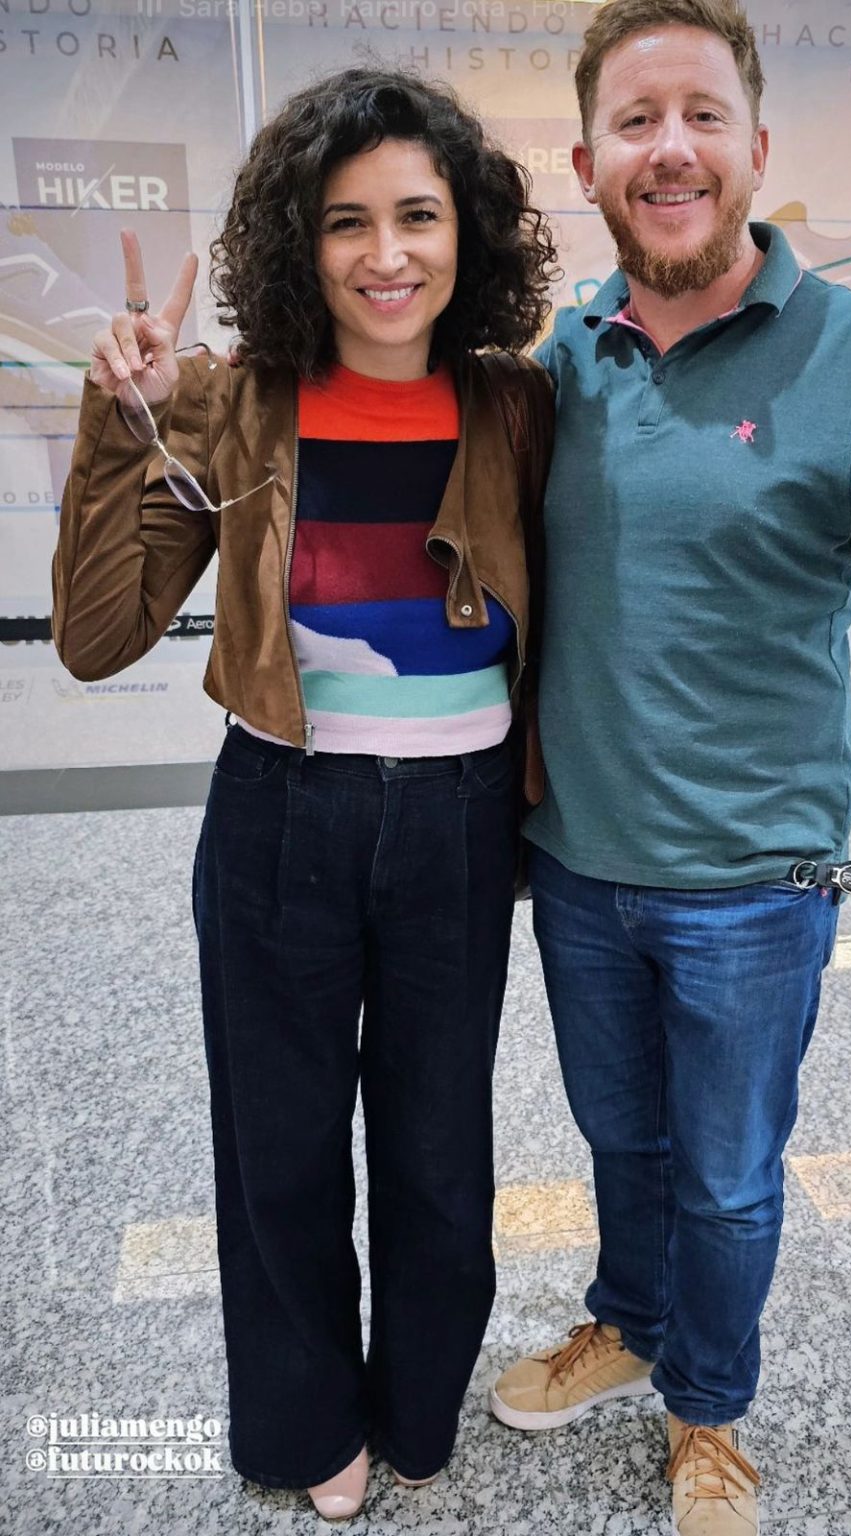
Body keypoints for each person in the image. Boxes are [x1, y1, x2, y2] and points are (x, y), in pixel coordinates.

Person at [489, 2, 851, 1532]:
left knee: (728, 1180)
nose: (671, 149)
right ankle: (629, 1319)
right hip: (578, 865)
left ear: (755, 148)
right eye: (637, 120)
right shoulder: (566, 359)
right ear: (590, 163)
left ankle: (709, 1412)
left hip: (756, 887)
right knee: (621, 1143)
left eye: (703, 116)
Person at [52, 67, 556, 1520]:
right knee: (276, 1145)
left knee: (440, 1153)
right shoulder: (234, 403)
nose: (386, 255)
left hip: (462, 823)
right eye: (347, 222)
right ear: (300, 242)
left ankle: (417, 1405)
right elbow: (96, 637)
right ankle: (304, 1424)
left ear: (467, 232)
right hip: (282, 811)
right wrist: (121, 422)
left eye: (418, 215)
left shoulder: (516, 407)